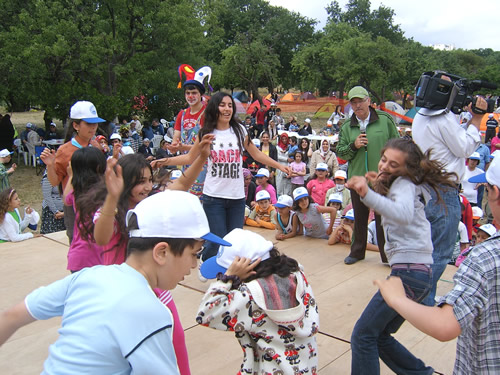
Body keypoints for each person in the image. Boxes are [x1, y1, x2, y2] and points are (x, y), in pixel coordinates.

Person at [0, 190, 229, 374]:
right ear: (161, 252)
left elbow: (11, 317)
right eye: (194, 254)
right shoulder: (151, 313)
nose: (193, 265)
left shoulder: (89, 276)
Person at [374, 155, 500, 375]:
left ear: (495, 192)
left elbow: (445, 326)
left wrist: (397, 299)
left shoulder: (485, 257)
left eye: (487, 190)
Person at [345, 137, 456, 375]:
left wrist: (366, 194)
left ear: (407, 170)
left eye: (393, 165)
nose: (384, 166)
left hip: (408, 273)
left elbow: (403, 214)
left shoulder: (405, 184)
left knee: (363, 335)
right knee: (379, 336)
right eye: (384, 160)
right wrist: (380, 185)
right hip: (418, 274)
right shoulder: (403, 185)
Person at [154, 92, 291, 262]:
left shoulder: (240, 130)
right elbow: (190, 157)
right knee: (218, 240)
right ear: (215, 108)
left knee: (233, 242)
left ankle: (227, 275)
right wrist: (165, 161)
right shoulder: (206, 132)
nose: (227, 109)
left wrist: (280, 166)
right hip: (214, 198)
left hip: (237, 198)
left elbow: (256, 154)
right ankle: (207, 262)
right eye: (222, 105)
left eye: (229, 105)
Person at [197, 228, 319, 375]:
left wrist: (228, 278)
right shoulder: (296, 274)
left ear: (249, 269)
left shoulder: (250, 297)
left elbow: (205, 313)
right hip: (306, 366)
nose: (220, 277)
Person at [413, 87, 487, 306]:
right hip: (444, 189)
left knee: (428, 248)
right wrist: (476, 119)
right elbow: (465, 148)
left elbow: (450, 141)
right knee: (441, 251)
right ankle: (422, 300)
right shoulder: (444, 118)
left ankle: (422, 296)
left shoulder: (421, 115)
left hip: (428, 185)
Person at [337, 85, 399, 265]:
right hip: (358, 180)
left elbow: (397, 145)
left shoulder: (385, 120)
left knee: (383, 219)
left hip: (382, 179)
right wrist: (353, 145)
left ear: (369, 101)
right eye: (353, 102)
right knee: (360, 216)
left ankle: (388, 256)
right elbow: (341, 153)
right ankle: (357, 252)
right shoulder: (347, 126)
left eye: (360, 101)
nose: (357, 106)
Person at [41, 100, 105, 243]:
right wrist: (50, 165)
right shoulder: (65, 150)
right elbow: (54, 181)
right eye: (88, 123)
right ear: (76, 125)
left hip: (97, 201)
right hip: (74, 204)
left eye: (95, 123)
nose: (93, 127)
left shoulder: (95, 147)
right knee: (78, 243)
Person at [170, 68, 209, 197]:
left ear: (200, 94)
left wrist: (183, 147)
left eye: (194, 92)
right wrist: (174, 146)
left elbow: (206, 145)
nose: (190, 96)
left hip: (204, 164)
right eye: (188, 93)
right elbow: (176, 138)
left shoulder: (207, 114)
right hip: (186, 164)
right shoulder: (182, 114)